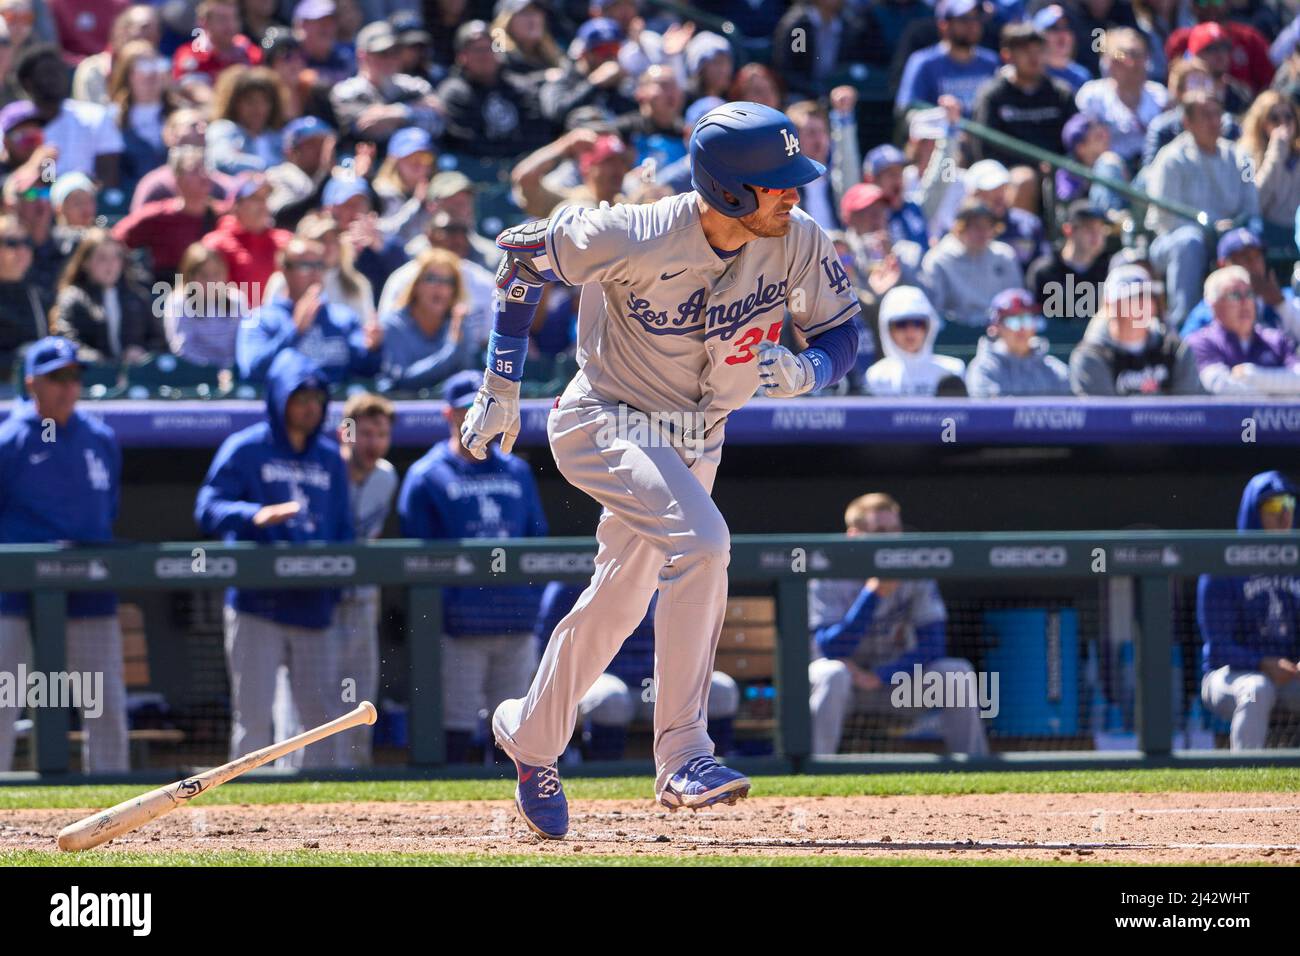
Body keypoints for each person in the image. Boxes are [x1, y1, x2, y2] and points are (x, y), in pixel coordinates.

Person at [459, 101, 863, 836]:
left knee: (617, 602)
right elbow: (521, 255)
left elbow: (842, 330)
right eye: (778, 183)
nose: (795, 192)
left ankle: (531, 735)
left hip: (698, 438)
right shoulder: (635, 229)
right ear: (732, 191)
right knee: (704, 544)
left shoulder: (798, 239)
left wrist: (809, 369)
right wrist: (500, 388)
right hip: (605, 418)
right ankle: (682, 752)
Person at [195, 348, 353, 764]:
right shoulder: (245, 448)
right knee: (253, 718)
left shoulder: (330, 458)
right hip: (257, 604)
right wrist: (254, 515)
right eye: (300, 399)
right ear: (280, 399)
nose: (310, 408)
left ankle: (324, 814)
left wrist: (335, 591)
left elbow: (343, 530)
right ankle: (243, 810)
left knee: (321, 719)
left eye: (317, 400)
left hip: (313, 606)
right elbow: (206, 507)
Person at [398, 369, 548, 763]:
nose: (474, 420)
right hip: (458, 628)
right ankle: (459, 816)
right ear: (449, 414)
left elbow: (537, 543)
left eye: (481, 410)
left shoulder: (516, 469)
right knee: (458, 724)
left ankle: (513, 807)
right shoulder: (426, 475)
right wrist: (449, 612)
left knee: (513, 728)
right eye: (466, 411)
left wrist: (530, 604)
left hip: (515, 621)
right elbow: (417, 558)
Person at [0, 336, 128, 772]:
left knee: (105, 703)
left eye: (74, 377)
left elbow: (108, 507)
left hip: (88, 589)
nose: (68, 387)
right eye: (57, 378)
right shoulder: (9, 440)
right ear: (32, 381)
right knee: (3, 701)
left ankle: (113, 811)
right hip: (14, 594)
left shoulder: (100, 438)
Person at [808, 493, 989, 757]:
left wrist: (883, 674)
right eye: (880, 530)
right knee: (831, 674)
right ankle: (816, 772)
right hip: (847, 686)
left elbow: (933, 644)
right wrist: (872, 596)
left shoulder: (915, 571)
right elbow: (829, 646)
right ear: (854, 535)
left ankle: (976, 766)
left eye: (895, 529)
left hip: (896, 684)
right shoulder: (828, 574)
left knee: (955, 672)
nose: (891, 537)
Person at [535, 583, 740, 760]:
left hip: (660, 683)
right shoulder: (572, 582)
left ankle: (709, 768)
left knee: (721, 690)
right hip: (601, 677)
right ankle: (603, 775)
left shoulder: (667, 569)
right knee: (610, 699)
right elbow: (549, 645)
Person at [1198, 471, 1300, 751]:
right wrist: (1262, 663)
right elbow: (1218, 648)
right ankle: (1246, 781)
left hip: (1288, 676)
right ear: (1253, 513)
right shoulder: (1222, 565)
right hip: (1229, 677)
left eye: (1288, 506)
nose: (1284, 517)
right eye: (1273, 508)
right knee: (1257, 690)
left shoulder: (1296, 564)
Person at [1145, 92, 1259, 329]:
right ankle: (1183, 327)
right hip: (1173, 243)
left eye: (1217, 114)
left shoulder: (1241, 158)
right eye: (1206, 115)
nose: (1214, 121)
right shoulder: (1171, 158)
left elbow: (1251, 208)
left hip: (1226, 237)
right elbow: (1164, 218)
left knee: (1245, 242)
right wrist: (1209, 227)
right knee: (1189, 241)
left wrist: (1232, 228)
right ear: (1187, 122)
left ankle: (1258, 320)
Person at [332, 390, 397, 766]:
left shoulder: (388, 477)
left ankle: (355, 771)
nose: (374, 443)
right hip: (320, 599)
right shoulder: (326, 469)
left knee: (359, 690)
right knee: (317, 693)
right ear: (347, 432)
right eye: (366, 433)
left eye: (381, 434)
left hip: (362, 598)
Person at [236, 235, 382, 384]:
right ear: (284, 271)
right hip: (286, 405)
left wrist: (374, 348)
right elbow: (252, 370)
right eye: (305, 266)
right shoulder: (260, 319)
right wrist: (294, 330)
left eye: (320, 265)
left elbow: (368, 370)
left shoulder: (343, 318)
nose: (315, 273)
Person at [1069, 264, 1203, 395]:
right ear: (1110, 305)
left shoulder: (1176, 351)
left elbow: (1187, 413)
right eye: (1132, 298)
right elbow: (1105, 415)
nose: (1142, 305)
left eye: (1147, 296)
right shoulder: (1091, 356)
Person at [435, 19, 546, 159]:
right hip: (477, 168)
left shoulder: (520, 87)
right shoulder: (453, 93)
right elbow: (465, 141)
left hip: (521, 162)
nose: (485, 55)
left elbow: (537, 131)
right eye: (477, 49)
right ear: (461, 56)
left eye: (490, 48)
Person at [971, 22, 1077, 168]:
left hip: (1058, 174)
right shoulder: (993, 95)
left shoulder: (1061, 93)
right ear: (1007, 55)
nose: (1034, 58)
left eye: (1039, 50)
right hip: (1009, 176)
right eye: (1026, 51)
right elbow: (985, 147)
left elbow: (1075, 141)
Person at [113, 145, 222, 283]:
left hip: (213, 296)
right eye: (194, 170)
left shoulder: (222, 216)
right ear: (177, 178)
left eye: (205, 168)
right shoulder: (156, 216)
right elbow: (115, 240)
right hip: (166, 294)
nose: (203, 175)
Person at [51, 228, 163, 363]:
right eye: (102, 258)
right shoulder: (72, 298)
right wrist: (95, 359)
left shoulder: (138, 297)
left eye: (116, 257)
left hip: (136, 378)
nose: (111, 264)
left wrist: (142, 353)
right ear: (85, 263)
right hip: (91, 377)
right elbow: (67, 341)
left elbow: (159, 341)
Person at [17, 42, 123, 184]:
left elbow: (108, 180)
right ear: (27, 82)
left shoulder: (95, 117)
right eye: (47, 73)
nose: (55, 79)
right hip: (40, 201)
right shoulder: (15, 123)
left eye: (59, 71)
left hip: (90, 203)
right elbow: (45, 182)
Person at [1185, 265, 1300, 395]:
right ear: (1214, 305)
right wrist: (1280, 393)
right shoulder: (1201, 341)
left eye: (1250, 294)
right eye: (1235, 295)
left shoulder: (1275, 339)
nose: (1245, 302)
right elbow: (1221, 387)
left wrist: (1254, 376)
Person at [329, 20, 443, 149]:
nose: (390, 59)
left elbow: (437, 124)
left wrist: (399, 112)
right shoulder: (345, 91)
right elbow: (368, 129)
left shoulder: (415, 85)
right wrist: (415, 109)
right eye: (382, 53)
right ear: (362, 55)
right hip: (367, 162)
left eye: (395, 52)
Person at [379, 246, 474, 390]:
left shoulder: (459, 321)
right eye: (431, 279)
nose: (440, 287)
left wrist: (460, 339)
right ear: (416, 285)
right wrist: (452, 349)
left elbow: (464, 379)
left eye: (448, 281)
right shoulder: (393, 324)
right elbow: (403, 379)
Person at [1179, 229, 1300, 339]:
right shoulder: (1212, 306)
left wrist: (1281, 303)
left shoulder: (1284, 297)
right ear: (1223, 265)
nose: (1254, 264)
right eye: (1245, 258)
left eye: (1258, 257)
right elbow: (1188, 351)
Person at [1074, 28, 1167, 170]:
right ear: (1108, 61)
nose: (1135, 63)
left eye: (1140, 55)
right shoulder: (1092, 96)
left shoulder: (1159, 95)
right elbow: (1085, 149)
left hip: (1150, 172)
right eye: (1127, 55)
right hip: (1109, 175)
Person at [920, 198, 1024, 326]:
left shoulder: (1004, 255)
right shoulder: (938, 259)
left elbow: (1017, 301)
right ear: (959, 228)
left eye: (988, 226)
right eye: (976, 226)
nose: (983, 232)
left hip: (1000, 333)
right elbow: (935, 310)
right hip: (956, 335)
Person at [895, 0, 999, 118]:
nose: (973, 25)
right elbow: (906, 110)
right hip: (941, 135)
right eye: (964, 19)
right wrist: (939, 114)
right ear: (944, 25)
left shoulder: (991, 62)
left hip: (980, 136)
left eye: (977, 18)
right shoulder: (923, 62)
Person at [201, 172, 292, 308]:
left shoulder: (286, 241)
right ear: (236, 205)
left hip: (278, 325)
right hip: (231, 324)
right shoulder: (215, 244)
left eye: (265, 198)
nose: (262, 205)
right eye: (255, 199)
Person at [965, 287, 1070, 396]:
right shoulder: (985, 369)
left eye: (1027, 319)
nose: (1022, 328)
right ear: (997, 327)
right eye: (1013, 321)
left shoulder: (1055, 369)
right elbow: (988, 411)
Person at [864, 284, 964, 396]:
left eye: (918, 323)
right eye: (901, 324)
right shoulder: (876, 376)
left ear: (929, 326)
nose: (910, 332)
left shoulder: (953, 371)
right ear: (887, 329)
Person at [162, 241, 246, 367]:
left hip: (233, 374)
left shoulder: (237, 299)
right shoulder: (179, 302)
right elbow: (182, 348)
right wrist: (211, 372)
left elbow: (244, 343)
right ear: (190, 277)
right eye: (204, 275)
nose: (212, 281)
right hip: (193, 376)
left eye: (217, 274)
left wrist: (230, 369)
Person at [1027, 201, 1111, 323]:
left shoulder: (1108, 270)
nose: (1096, 235)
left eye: (1101, 229)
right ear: (1068, 230)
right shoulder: (1045, 271)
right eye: (1089, 228)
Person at [1237, 92, 1300, 246]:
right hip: (1263, 231)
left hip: (1294, 231)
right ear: (1261, 122)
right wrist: (1275, 154)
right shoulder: (1245, 156)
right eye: (1274, 118)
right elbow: (1253, 201)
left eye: (1288, 116)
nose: (1282, 123)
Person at [205, 64, 288, 175]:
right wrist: (270, 168)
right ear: (234, 104)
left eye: (265, 101)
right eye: (250, 101)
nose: (258, 108)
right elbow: (222, 160)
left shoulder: (277, 136)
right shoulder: (223, 129)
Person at [172, 0, 262, 84]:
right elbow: (185, 90)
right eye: (222, 19)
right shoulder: (189, 56)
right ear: (204, 22)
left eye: (234, 18)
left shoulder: (251, 54)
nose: (230, 25)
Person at [0, 213, 46, 372]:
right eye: (12, 243)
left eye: (27, 242)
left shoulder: (36, 292)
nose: (22, 250)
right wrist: (19, 357)